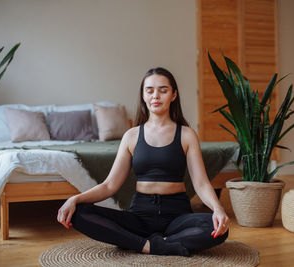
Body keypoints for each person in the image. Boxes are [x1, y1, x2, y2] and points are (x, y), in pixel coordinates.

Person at [57, 67, 230, 256]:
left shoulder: (187, 135)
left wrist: (218, 209)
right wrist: (75, 199)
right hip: (140, 215)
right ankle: (150, 245)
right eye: (150, 90)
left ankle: (140, 244)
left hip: (177, 216)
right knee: (78, 213)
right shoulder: (131, 136)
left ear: (173, 95)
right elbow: (109, 186)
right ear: (143, 96)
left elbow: (201, 183)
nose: (156, 96)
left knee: (218, 227)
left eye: (163, 90)